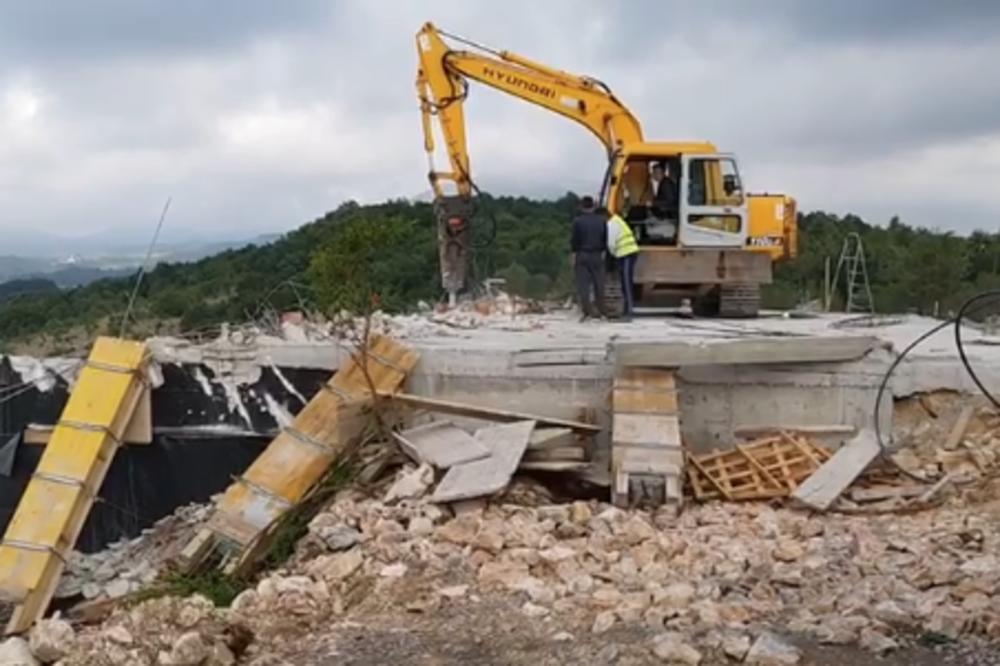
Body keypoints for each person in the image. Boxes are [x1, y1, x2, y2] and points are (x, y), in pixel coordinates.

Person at [570, 195, 608, 321]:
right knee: (599, 284)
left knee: (583, 285)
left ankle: (587, 313)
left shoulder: (577, 221)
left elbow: (575, 241)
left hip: (582, 254)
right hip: (597, 254)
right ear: (593, 206)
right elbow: (605, 239)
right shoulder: (602, 221)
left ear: (582, 206)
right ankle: (602, 312)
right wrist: (603, 253)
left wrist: (574, 256)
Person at [606, 212, 639, 320]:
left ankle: (629, 311)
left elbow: (611, 244)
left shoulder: (611, 224)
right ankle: (626, 309)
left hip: (626, 253)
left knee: (626, 282)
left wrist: (612, 255)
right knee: (625, 283)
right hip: (628, 253)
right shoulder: (617, 220)